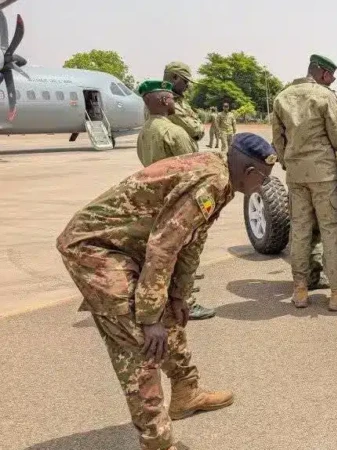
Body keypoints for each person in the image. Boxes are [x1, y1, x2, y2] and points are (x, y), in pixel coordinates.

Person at [56, 130, 276, 450]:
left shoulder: (224, 176)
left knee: (168, 315)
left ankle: (186, 391)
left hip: (128, 247)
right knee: (140, 343)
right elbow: (163, 247)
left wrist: (177, 296)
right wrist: (148, 316)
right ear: (250, 172)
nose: (265, 185)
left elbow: (191, 240)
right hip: (94, 249)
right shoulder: (211, 180)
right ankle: (157, 442)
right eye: (265, 179)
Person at [272, 53, 337, 311]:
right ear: (320, 72)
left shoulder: (281, 97)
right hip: (324, 175)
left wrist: (290, 163)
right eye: (330, 75)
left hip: (296, 176)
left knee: (300, 231)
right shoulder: (324, 96)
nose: (332, 80)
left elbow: (278, 140)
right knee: (332, 232)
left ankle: (300, 291)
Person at [135, 80, 217, 321]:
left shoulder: (145, 131)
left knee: (167, 249)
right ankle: (186, 302)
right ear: (162, 101)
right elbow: (194, 166)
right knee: (187, 248)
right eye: (170, 98)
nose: (173, 102)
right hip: (180, 200)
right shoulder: (173, 131)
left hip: (158, 199)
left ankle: (170, 296)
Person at [136, 81, 196, 167]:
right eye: (173, 99)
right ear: (164, 101)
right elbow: (192, 167)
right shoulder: (174, 132)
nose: (174, 103)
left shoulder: (143, 131)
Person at [162, 61, 205, 150]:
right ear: (174, 77)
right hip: (171, 159)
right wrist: (198, 123)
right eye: (185, 81)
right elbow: (196, 131)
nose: (187, 85)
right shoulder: (167, 102)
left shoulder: (176, 100)